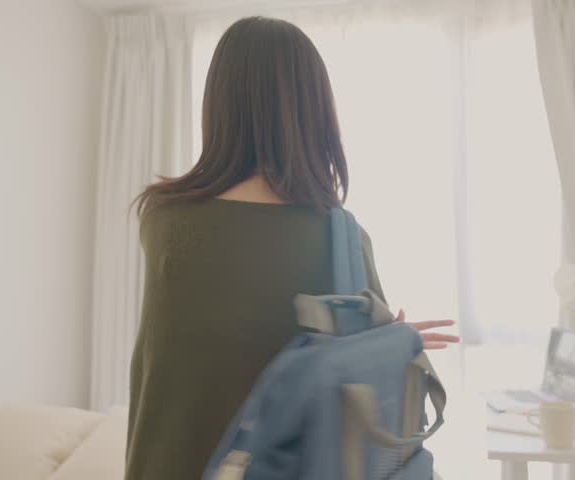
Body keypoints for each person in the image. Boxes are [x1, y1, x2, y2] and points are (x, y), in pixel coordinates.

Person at [125, 16, 459, 479]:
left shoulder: (162, 219)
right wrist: (394, 340)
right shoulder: (340, 239)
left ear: (219, 104)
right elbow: (357, 373)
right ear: (315, 110)